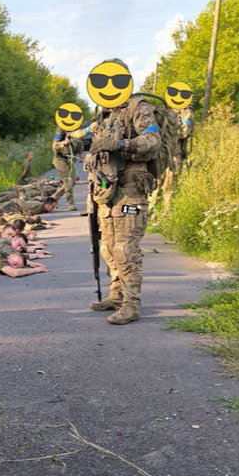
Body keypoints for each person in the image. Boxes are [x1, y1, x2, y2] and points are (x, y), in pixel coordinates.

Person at [71, 58, 161, 324]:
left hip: (131, 189)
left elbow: (152, 142)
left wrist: (119, 143)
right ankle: (116, 296)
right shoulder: (105, 114)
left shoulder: (139, 108)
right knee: (108, 248)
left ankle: (132, 305)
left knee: (125, 249)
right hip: (106, 192)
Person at [50, 129, 80, 211]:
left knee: (73, 181)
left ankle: (54, 197)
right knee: (68, 181)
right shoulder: (60, 131)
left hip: (70, 160)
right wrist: (63, 143)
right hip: (60, 160)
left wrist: (80, 154)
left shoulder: (75, 130)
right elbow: (54, 146)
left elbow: (78, 144)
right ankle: (70, 203)